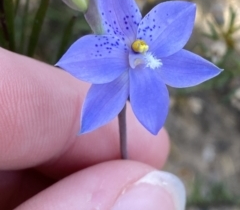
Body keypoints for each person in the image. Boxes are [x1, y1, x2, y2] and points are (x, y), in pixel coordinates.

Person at [0, 47, 185, 209]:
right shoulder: (108, 64)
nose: (142, 52)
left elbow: (189, 58)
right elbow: (79, 60)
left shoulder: (152, 63)